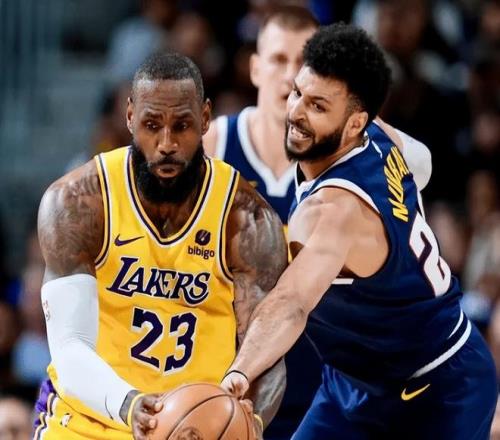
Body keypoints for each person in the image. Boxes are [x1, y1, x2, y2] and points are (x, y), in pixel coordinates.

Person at [221, 23, 497, 439]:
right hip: (353, 383)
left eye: (317, 106)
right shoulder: (377, 134)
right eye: (297, 93)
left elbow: (293, 302)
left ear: (354, 124)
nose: (296, 112)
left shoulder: (333, 212)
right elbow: (422, 161)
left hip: (438, 385)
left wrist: (239, 373)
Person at [35, 52, 287, 440]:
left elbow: (268, 356)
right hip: (90, 417)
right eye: (152, 125)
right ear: (130, 116)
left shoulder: (246, 219)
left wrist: (249, 426)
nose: (166, 143)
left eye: (182, 125)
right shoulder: (79, 202)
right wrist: (129, 404)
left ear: (205, 118)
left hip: (193, 427)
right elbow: (70, 348)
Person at [204, 7, 322, 438]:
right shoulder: (213, 146)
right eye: (278, 59)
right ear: (254, 68)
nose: (290, 76)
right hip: (228, 378)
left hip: (318, 378)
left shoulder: (340, 163)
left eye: (304, 62)